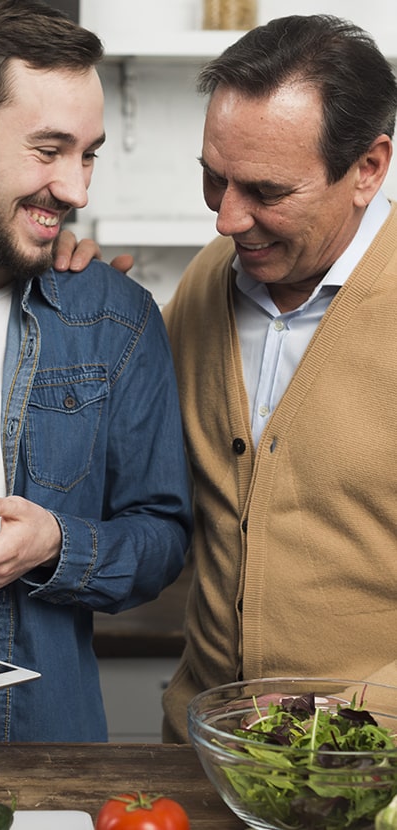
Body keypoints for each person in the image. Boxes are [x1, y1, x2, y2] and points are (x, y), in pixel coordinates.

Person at [55, 13, 397, 743]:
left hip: (373, 768)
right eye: (215, 179)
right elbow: (132, 466)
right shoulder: (210, 285)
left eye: (267, 191)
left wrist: (357, 730)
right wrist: (84, 321)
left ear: (368, 168)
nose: (228, 219)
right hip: (202, 756)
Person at [0, 0, 192, 742]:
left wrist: (57, 545)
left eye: (89, 152)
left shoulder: (115, 319)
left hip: (36, 764)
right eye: (49, 149)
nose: (77, 190)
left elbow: (161, 535)